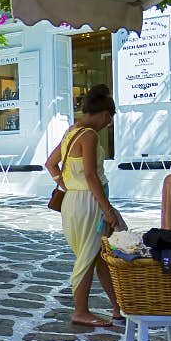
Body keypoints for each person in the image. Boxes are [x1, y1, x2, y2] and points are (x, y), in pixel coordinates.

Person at [45, 84, 126, 328]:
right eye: (109, 119)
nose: (108, 124)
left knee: (99, 256)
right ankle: (80, 311)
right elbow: (91, 176)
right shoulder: (89, 135)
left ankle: (118, 307)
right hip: (88, 202)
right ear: (105, 114)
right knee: (88, 257)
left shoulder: (72, 131)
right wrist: (107, 209)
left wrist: (68, 185)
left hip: (74, 201)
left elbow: (51, 163)